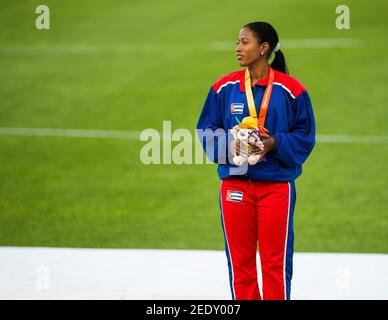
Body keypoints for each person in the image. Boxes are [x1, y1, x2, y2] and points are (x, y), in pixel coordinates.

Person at [196, 21, 316, 300]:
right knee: (241, 265)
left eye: (244, 42)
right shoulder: (223, 87)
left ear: (264, 48)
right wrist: (231, 143)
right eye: (237, 42)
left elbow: (306, 135)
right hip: (235, 186)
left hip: (276, 187)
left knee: (274, 264)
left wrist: (275, 143)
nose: (238, 48)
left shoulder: (291, 89)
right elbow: (206, 129)